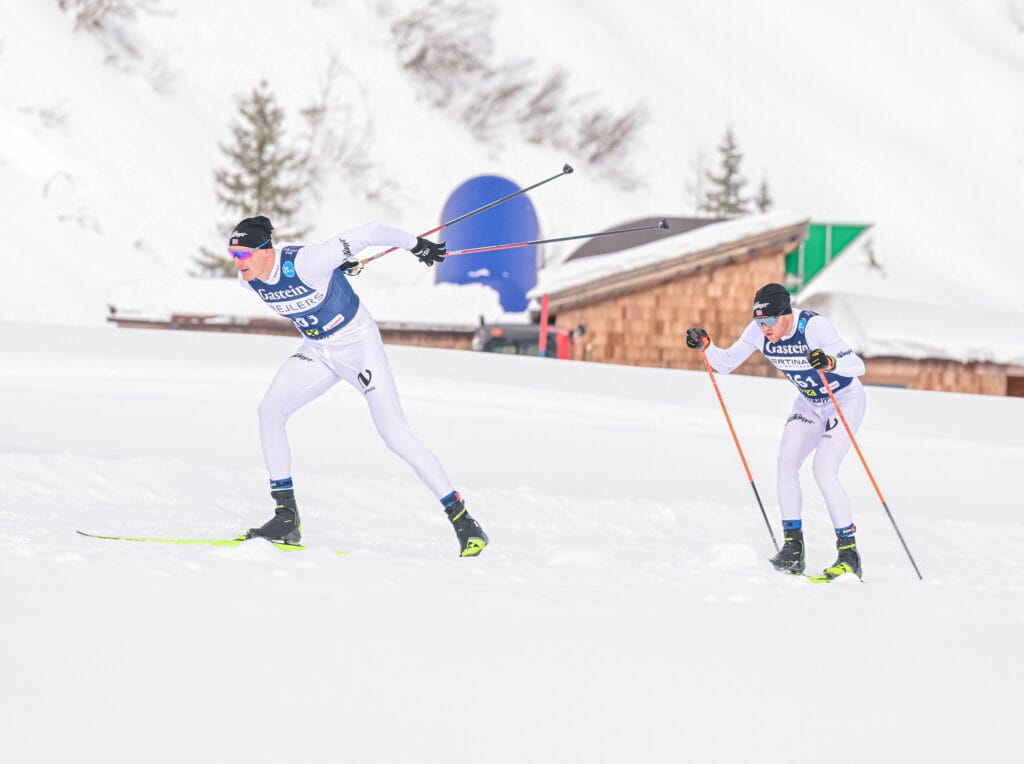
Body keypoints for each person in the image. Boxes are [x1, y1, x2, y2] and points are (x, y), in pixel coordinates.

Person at [228, 214, 488, 557]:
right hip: (318, 351)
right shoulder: (249, 280)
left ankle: (465, 522)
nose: (238, 263)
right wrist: (337, 271)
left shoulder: (308, 261)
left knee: (395, 436)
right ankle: (286, 518)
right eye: (233, 256)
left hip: (358, 348)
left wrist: (417, 245)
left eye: (244, 255)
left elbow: (372, 232)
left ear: (265, 250)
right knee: (269, 411)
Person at [685, 283, 866, 580]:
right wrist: (708, 347)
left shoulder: (813, 326)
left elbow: (857, 366)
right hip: (809, 403)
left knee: (823, 470)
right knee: (786, 463)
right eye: (759, 321)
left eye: (769, 321)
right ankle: (793, 550)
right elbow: (727, 363)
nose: (764, 328)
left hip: (843, 400)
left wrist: (831, 362)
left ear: (785, 315)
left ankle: (849, 554)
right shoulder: (758, 332)